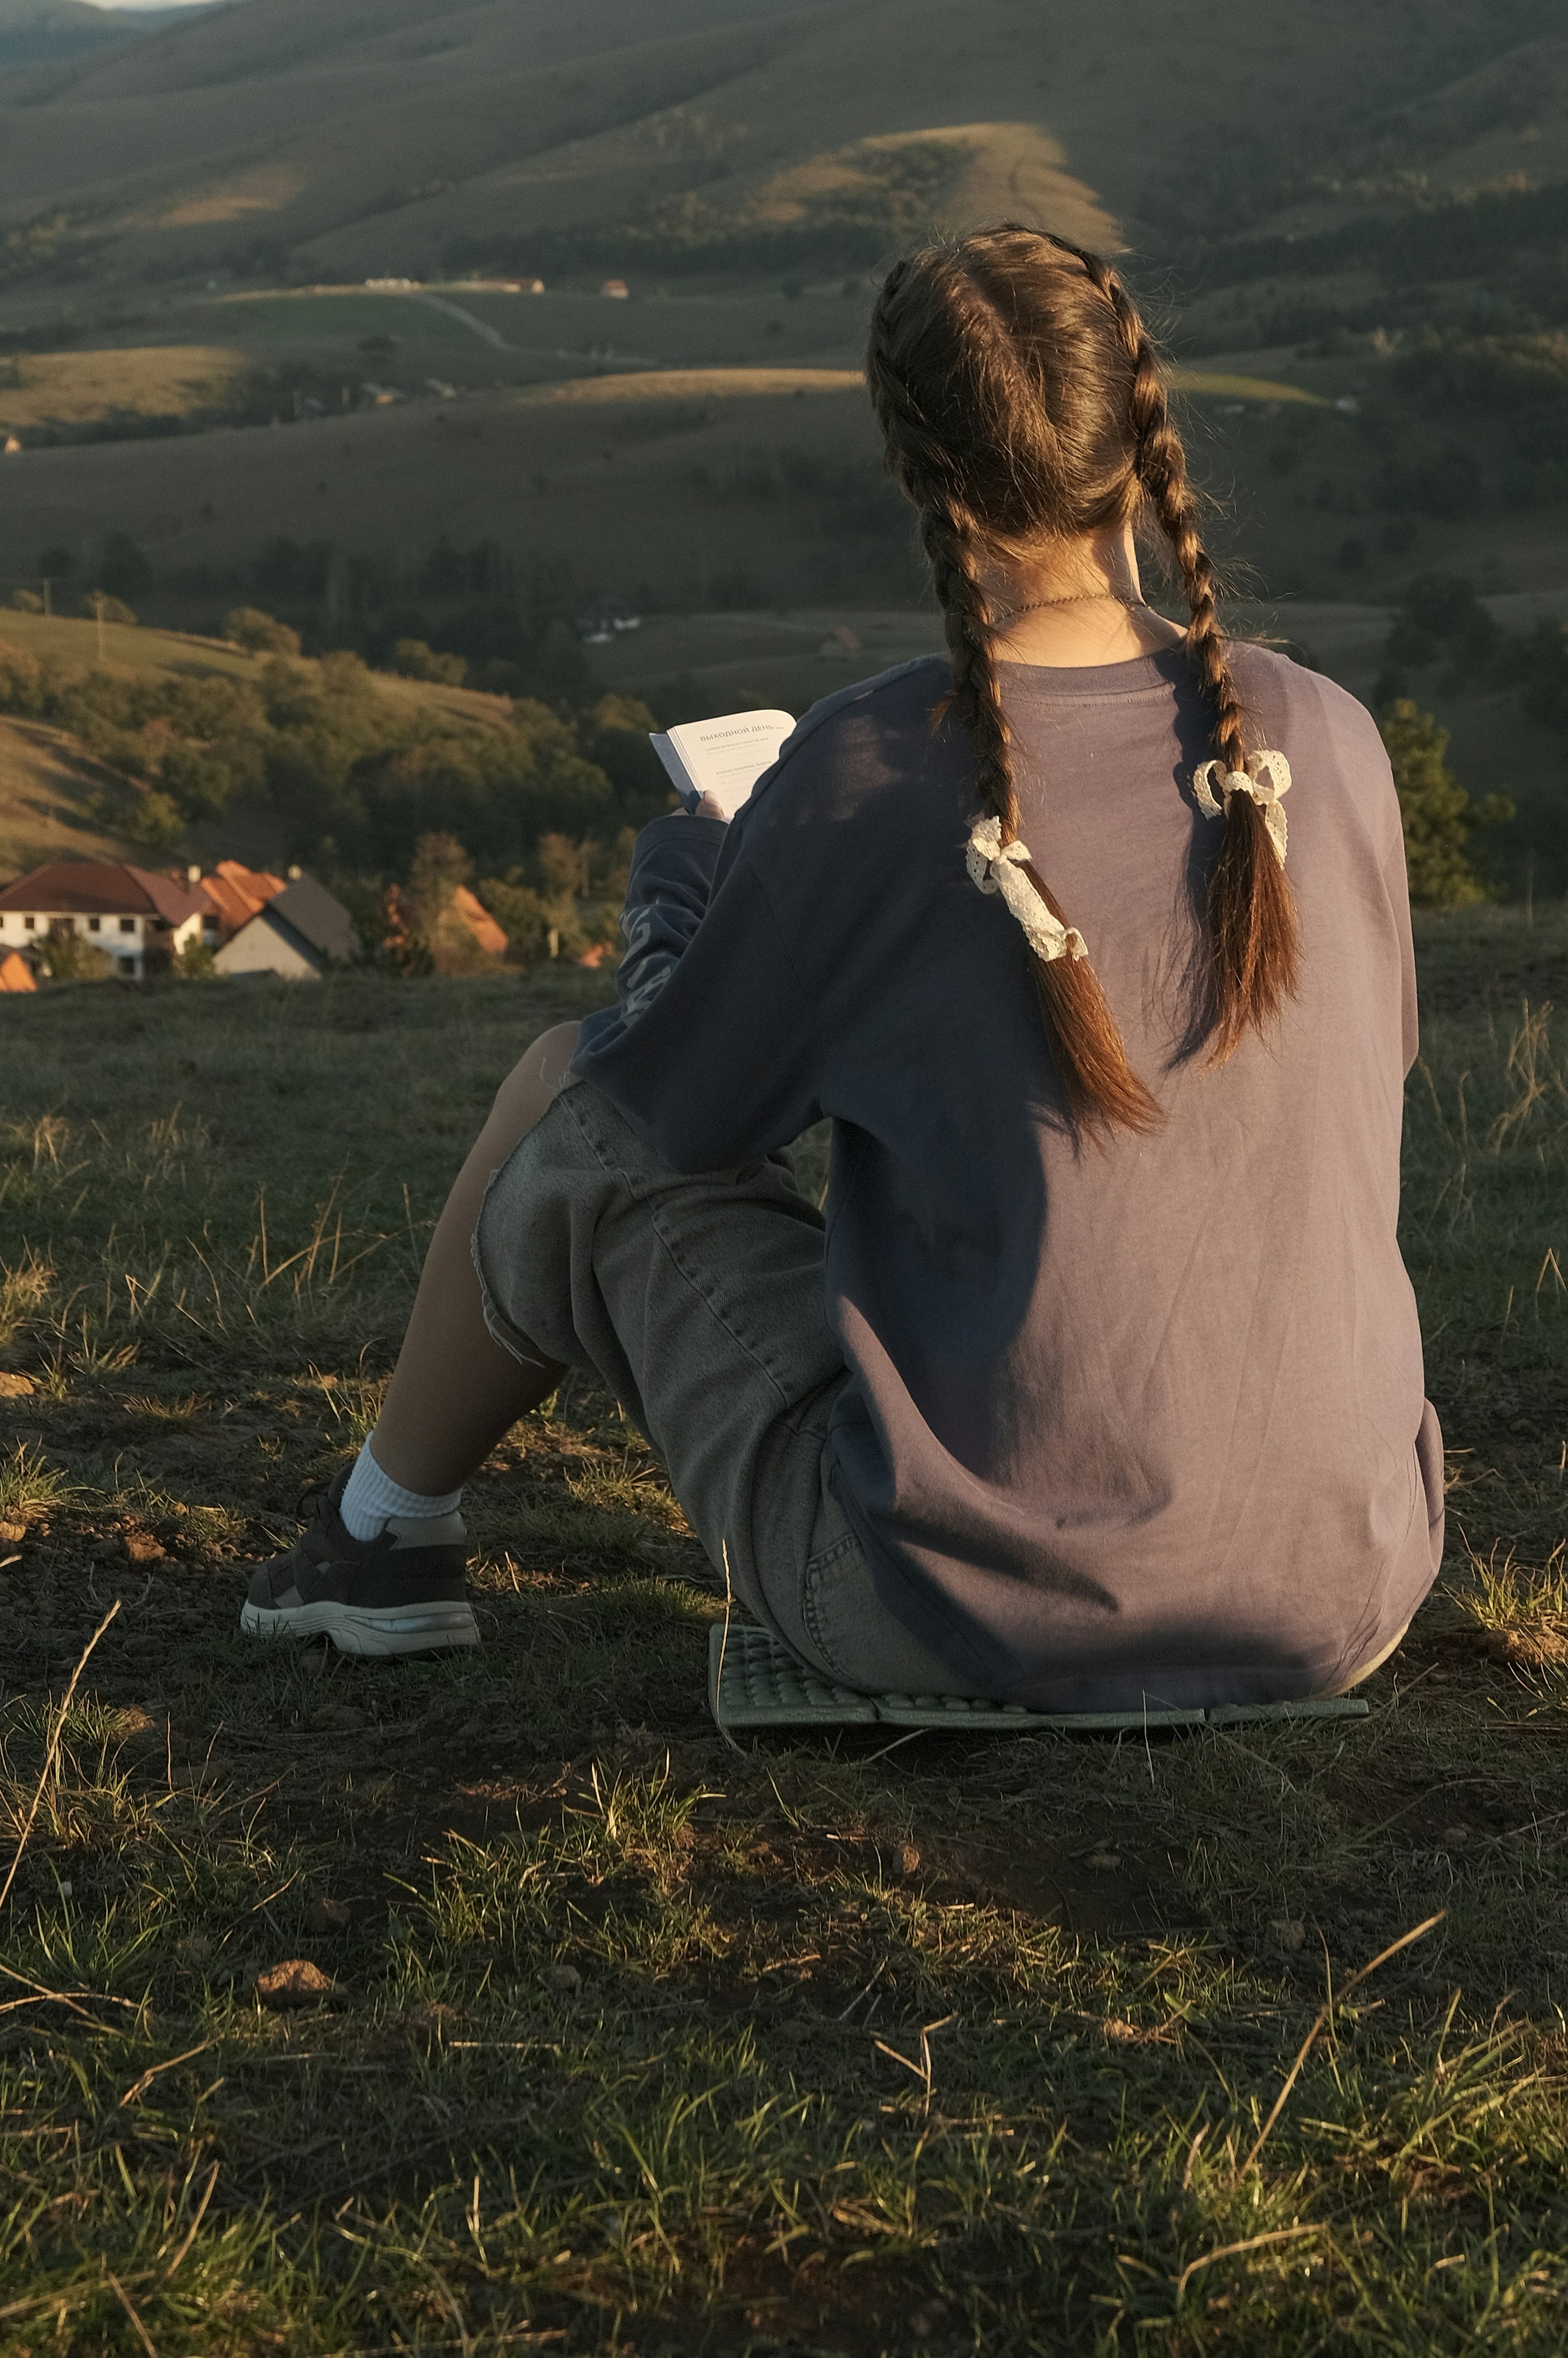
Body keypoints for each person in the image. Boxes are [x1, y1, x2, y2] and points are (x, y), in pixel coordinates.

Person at [244, 227, 1441, 1712]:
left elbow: (664, 1111)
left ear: (918, 474)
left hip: (972, 1619)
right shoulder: (1325, 739)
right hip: (1344, 1591)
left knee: (565, 1088)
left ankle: (381, 1539)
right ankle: (384, 1538)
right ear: (1139, 433)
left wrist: (690, 870)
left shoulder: (879, 770)